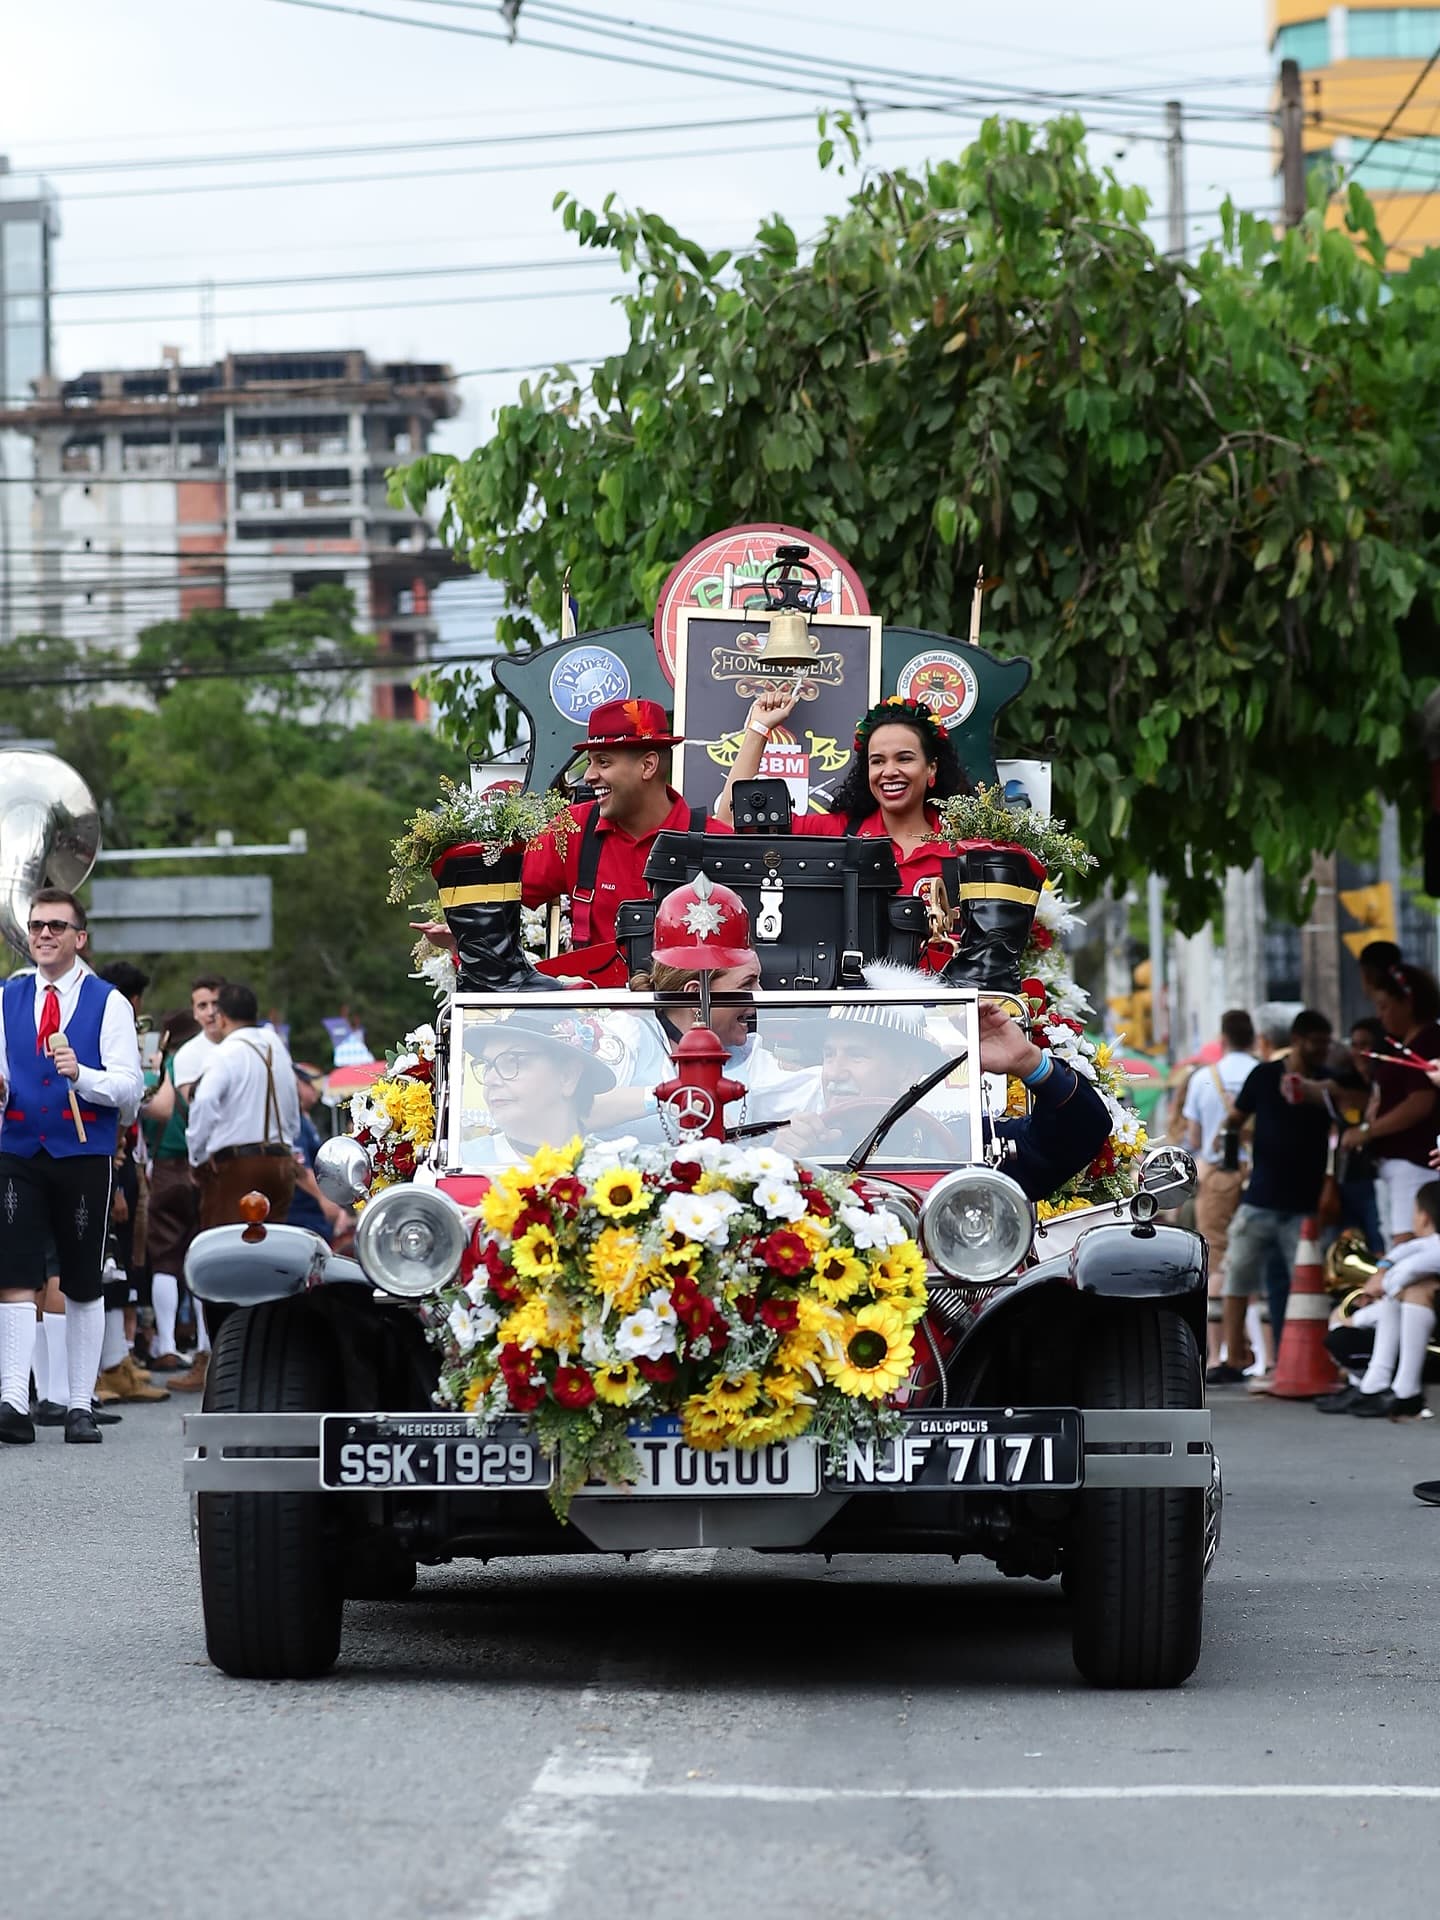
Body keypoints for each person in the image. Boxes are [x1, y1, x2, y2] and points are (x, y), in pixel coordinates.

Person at [0, 889, 144, 1444]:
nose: (44, 935)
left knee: (83, 1280)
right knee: (13, 1276)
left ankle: (81, 1404)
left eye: (57, 926)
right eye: (37, 925)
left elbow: (130, 1090)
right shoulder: (8, 997)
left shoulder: (108, 1002)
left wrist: (82, 1074)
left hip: (83, 1155)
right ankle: (14, 1400)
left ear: (79, 938)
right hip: (17, 1150)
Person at [716, 686, 970, 898]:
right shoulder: (837, 833)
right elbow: (729, 822)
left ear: (931, 768)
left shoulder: (963, 846)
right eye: (878, 761)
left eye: (904, 759)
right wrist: (759, 729)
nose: (889, 771)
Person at [520, 699, 732, 953]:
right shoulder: (572, 829)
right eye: (590, 762)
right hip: (597, 993)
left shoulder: (716, 841)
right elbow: (494, 891)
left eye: (604, 762)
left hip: (684, 993)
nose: (589, 776)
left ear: (648, 766)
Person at [177, 984, 301, 1392]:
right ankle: (273, 1352)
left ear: (223, 1018)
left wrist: (197, 1156)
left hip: (239, 1166)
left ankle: (220, 1357)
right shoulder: (276, 1047)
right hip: (282, 1161)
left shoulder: (225, 1053)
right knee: (274, 1261)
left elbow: (205, 1105)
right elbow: (295, 1106)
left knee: (218, 1260)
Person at [1207, 1009, 1335, 1386]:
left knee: (1296, 1286)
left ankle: (1289, 1359)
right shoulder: (1264, 1076)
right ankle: (1234, 1357)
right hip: (1260, 1198)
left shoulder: (1327, 1084)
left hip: (1305, 1204)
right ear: (1297, 1040)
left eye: (1326, 1044)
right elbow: (1236, 1117)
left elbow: (1344, 1125)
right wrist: (1232, 1142)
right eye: (1317, 1042)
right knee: (1237, 1279)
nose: (1322, 1050)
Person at [1181, 1010, 1261, 1367]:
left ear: (1223, 1036)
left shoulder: (1203, 1078)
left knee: (1216, 1261)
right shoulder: (1262, 1073)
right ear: (1254, 1037)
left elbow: (1195, 1138)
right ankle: (1259, 1348)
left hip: (1217, 1175)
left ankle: (1217, 1354)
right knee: (1254, 1258)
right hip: (1258, 1174)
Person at [1342, 961, 1440, 1249]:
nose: (1380, 1016)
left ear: (1407, 1002)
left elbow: (1420, 1102)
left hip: (1415, 1162)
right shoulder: (1410, 1042)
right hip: (1397, 1163)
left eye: (1385, 1007)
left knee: (1406, 1242)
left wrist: (1368, 1131)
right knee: (1397, 1240)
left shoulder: (1429, 1040)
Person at [1328, 1181, 1440, 1419]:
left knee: (1411, 1289)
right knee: (1344, 1322)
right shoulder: (1424, 1245)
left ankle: (1403, 1390)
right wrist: (1383, 1268)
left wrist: (1384, 1283)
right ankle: (1375, 1384)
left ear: (1424, 1217)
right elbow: (1405, 1254)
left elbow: (1407, 1270)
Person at [460, 1012, 616, 1167]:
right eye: (487, 1065)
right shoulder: (462, 1162)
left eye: (513, 1061)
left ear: (568, 1076)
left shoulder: (619, 1165)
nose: (489, 1080)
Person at [138, 1008, 201, 1373]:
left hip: (161, 1168)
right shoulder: (201, 1066)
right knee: (199, 1255)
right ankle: (206, 1345)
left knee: (164, 1257)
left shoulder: (155, 1069)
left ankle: (166, 1342)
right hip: (197, 1168)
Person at [286, 1065, 347, 1244]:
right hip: (302, 1214)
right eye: (307, 1083)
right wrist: (325, 1200)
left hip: (312, 1213)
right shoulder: (294, 1122)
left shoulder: (304, 1120)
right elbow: (298, 1167)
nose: (314, 1088)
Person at [171, 973, 225, 1097]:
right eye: (202, 1006)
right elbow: (196, 1107)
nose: (211, 1012)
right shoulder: (186, 1056)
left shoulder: (244, 1045)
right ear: (195, 1013)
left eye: (216, 1004)